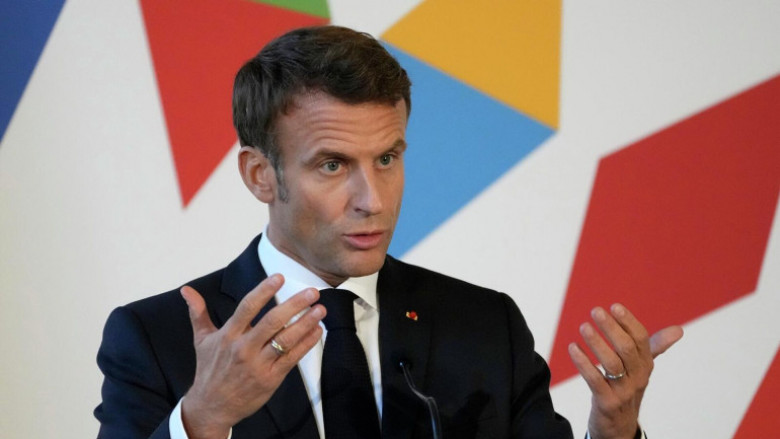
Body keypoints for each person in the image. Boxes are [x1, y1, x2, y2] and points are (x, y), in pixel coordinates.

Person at [95, 25, 683, 439]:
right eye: (333, 165)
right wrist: (201, 419)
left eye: (387, 158)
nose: (372, 200)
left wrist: (613, 429)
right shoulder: (157, 339)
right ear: (260, 175)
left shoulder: (485, 326)